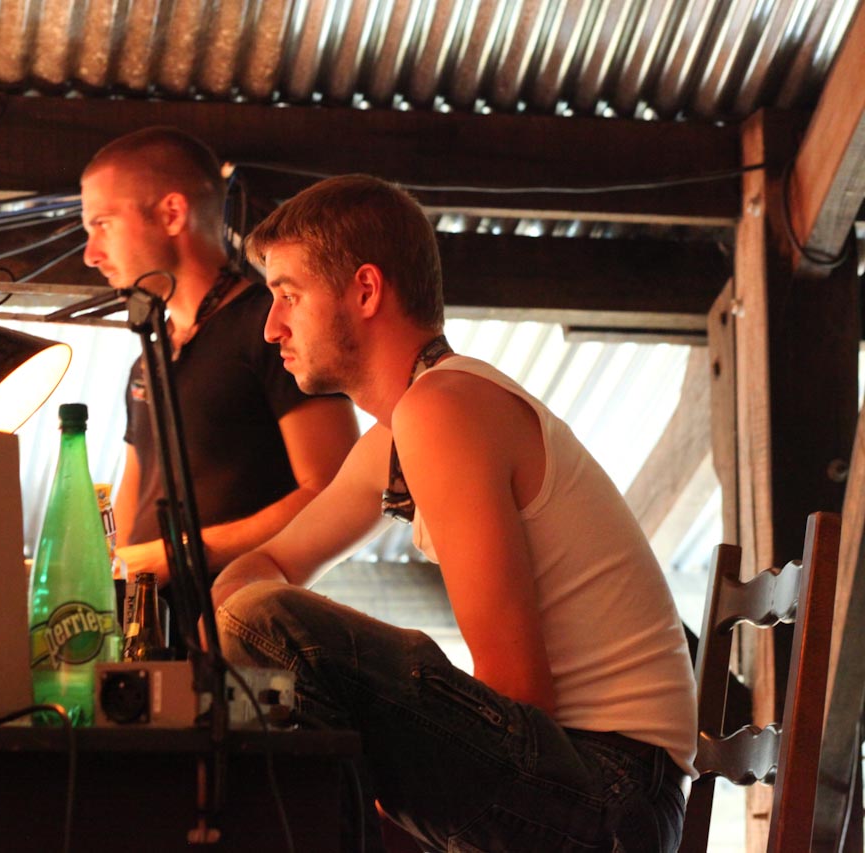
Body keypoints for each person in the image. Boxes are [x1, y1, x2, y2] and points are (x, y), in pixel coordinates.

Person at [211, 174, 697, 852]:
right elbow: (269, 563)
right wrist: (221, 639)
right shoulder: (401, 432)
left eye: (288, 295)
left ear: (366, 290)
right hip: (598, 787)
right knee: (256, 621)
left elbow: (520, 698)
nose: (272, 327)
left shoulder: (444, 409)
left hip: (606, 793)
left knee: (270, 623)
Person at [79, 127, 360, 600]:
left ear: (172, 213)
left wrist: (183, 553)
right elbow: (135, 496)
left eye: (102, 224)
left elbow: (336, 491)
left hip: (239, 622)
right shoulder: (148, 359)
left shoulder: (273, 329)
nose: (91, 254)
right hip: (150, 624)